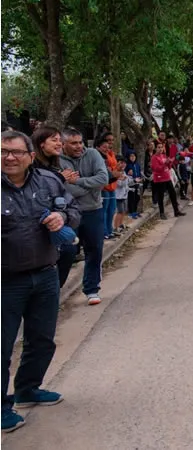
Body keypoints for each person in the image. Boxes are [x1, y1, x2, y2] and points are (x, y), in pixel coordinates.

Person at [2, 130, 80, 432]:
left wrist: (63, 218)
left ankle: (28, 389)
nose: (9, 157)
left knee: (42, 338)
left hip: (45, 273)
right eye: (3, 151)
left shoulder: (48, 181)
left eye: (16, 152)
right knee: (3, 346)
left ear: (30, 156)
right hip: (5, 280)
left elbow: (72, 210)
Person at [58, 128, 109, 305]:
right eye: (73, 143)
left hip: (93, 210)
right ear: (63, 144)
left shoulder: (93, 154)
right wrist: (90, 185)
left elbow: (103, 179)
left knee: (95, 249)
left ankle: (92, 289)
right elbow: (63, 188)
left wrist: (76, 181)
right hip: (69, 214)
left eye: (80, 142)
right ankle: (54, 290)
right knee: (67, 251)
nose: (79, 146)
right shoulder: (57, 160)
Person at [151, 141, 186, 220]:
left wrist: (170, 162)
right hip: (159, 179)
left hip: (167, 177)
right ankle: (162, 213)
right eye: (158, 147)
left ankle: (176, 211)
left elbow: (169, 167)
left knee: (173, 194)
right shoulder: (154, 158)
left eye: (161, 147)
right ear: (156, 148)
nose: (160, 149)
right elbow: (156, 169)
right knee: (161, 196)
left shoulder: (164, 156)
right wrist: (165, 164)